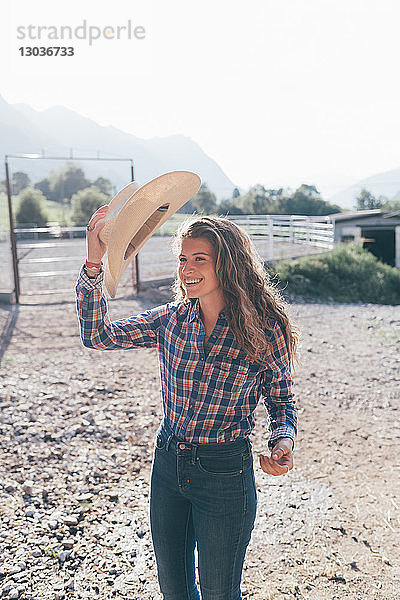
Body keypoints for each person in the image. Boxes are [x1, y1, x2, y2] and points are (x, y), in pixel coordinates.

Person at [75, 206, 298, 600]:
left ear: (227, 265)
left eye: (200, 259)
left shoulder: (265, 327)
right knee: (175, 591)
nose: (187, 269)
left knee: (218, 593)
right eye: (182, 259)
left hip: (225, 473)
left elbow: (280, 399)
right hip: (168, 465)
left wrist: (283, 442)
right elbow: (97, 334)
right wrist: (94, 263)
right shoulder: (171, 319)